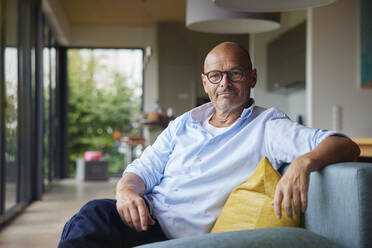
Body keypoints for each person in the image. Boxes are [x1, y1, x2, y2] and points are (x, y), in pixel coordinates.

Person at [59, 42, 360, 248]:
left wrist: (302, 164)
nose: (224, 83)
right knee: (92, 216)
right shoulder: (183, 124)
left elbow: (344, 145)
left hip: (179, 236)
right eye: (216, 76)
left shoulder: (267, 126)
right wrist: (126, 192)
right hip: (145, 217)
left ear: (251, 77)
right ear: (206, 83)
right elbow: (143, 167)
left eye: (235, 73)